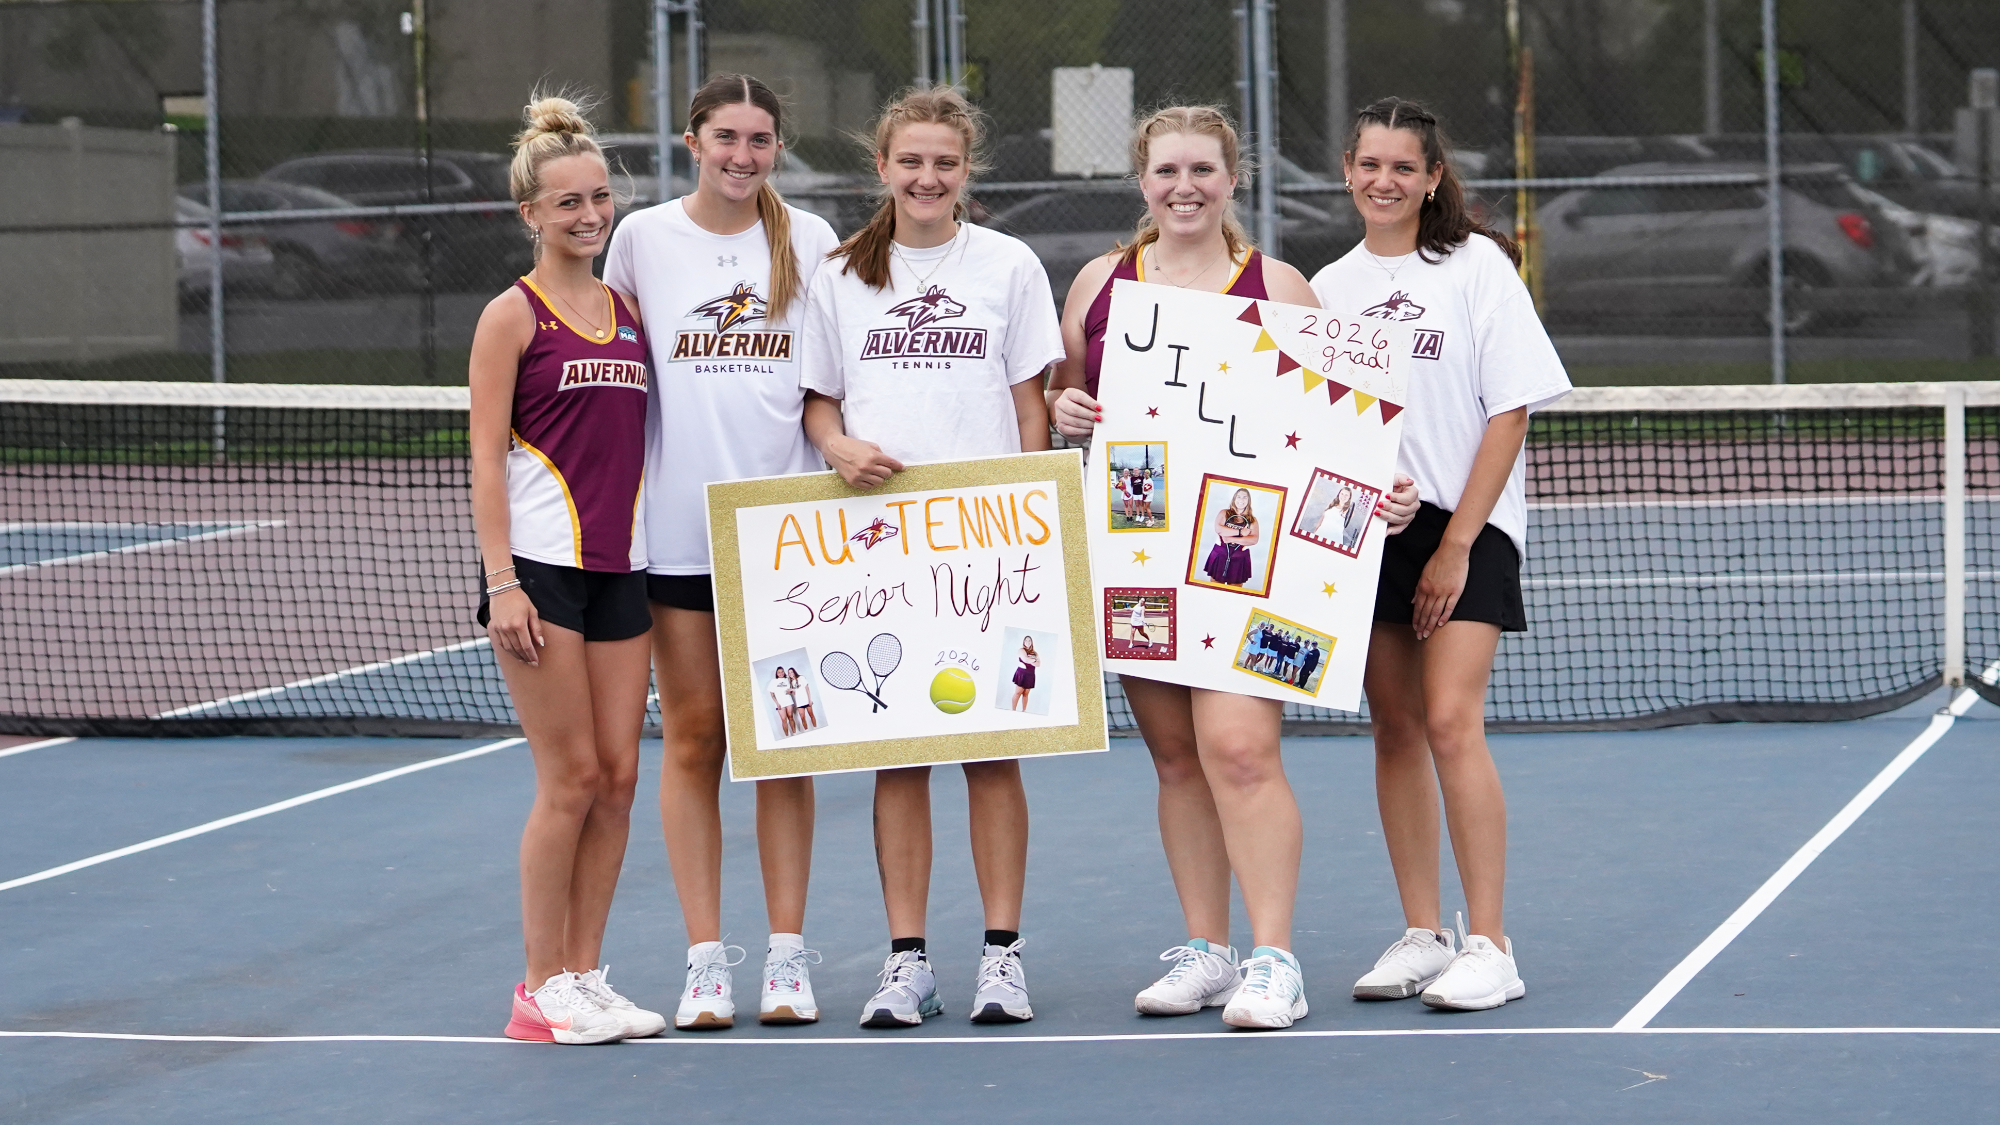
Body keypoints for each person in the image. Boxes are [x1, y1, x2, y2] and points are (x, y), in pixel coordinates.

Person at [1045, 104, 1420, 1030]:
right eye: (1168, 171)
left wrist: (1385, 491)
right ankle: (1206, 951)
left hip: (1258, 566)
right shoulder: (1100, 283)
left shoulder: (1281, 284)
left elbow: (1341, 423)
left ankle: (1274, 960)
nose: (1185, 188)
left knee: (1242, 752)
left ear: (1232, 179)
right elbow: (1065, 389)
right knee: (1177, 759)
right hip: (1139, 549)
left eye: (1202, 171)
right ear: (1143, 181)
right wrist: (1068, 410)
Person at [798, 85, 1062, 1028]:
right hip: (876, 545)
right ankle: (906, 962)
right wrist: (836, 448)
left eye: (944, 162)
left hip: (988, 546)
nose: (927, 176)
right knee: (898, 756)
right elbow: (818, 404)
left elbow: (1031, 403)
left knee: (990, 753)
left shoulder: (1010, 264)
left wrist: (1033, 517)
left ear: (966, 171)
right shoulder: (837, 273)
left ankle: (1003, 957)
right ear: (882, 167)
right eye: (910, 161)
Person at [1311, 97, 1570, 1011]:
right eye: (1369, 164)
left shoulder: (1477, 270)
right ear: (1348, 170)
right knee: (1395, 728)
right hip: (1369, 531)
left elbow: (1512, 408)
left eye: (1403, 167)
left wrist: (1456, 542)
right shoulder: (1326, 288)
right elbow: (1315, 424)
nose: (1384, 180)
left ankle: (1492, 943)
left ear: (1431, 179)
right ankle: (1426, 933)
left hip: (1470, 527)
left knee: (1453, 721)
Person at [602, 73, 842, 1029]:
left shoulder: (814, 242)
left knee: (784, 746)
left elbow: (834, 379)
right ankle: (706, 962)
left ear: (777, 147)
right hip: (677, 538)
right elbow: (612, 372)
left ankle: (787, 958)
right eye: (726, 136)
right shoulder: (643, 240)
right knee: (695, 739)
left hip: (786, 538)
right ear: (693, 139)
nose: (743, 155)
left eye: (760, 139)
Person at [472, 92, 662, 1045]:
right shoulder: (511, 316)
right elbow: (484, 458)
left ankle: (585, 974)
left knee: (621, 777)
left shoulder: (629, 310)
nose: (589, 216)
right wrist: (501, 581)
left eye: (599, 199)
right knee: (570, 778)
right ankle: (538, 986)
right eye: (568, 204)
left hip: (623, 572)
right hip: (541, 576)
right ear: (531, 215)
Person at [1204, 488, 1259, 588]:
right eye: (1238, 497)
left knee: (1235, 590)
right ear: (1234, 499)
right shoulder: (1224, 513)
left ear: (1248, 500)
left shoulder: (1252, 520)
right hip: (1220, 555)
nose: (1241, 500)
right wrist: (1241, 532)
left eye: (1244, 497)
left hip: (1239, 558)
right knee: (1215, 588)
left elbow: (1254, 540)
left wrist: (1231, 539)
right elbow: (1219, 529)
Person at [1009, 636, 1040, 711]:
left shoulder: (1035, 653)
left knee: (1026, 694)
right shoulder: (1021, 650)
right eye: (1026, 640)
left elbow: (1038, 664)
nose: (1028, 642)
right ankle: (1013, 710)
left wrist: (1031, 660)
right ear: (1024, 642)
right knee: (1018, 693)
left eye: (1029, 641)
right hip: (1022, 674)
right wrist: (1034, 660)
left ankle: (1024, 711)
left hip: (1030, 675)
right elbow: (1025, 659)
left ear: (1032, 642)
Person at [769, 668, 797, 737]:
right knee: (784, 719)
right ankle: (787, 736)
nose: (781, 673)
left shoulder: (787, 679)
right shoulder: (773, 681)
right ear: (776, 673)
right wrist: (777, 703)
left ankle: (795, 734)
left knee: (791, 717)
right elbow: (772, 695)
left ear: (784, 672)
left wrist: (790, 691)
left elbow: (792, 689)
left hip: (788, 701)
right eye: (779, 672)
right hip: (780, 704)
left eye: (782, 672)